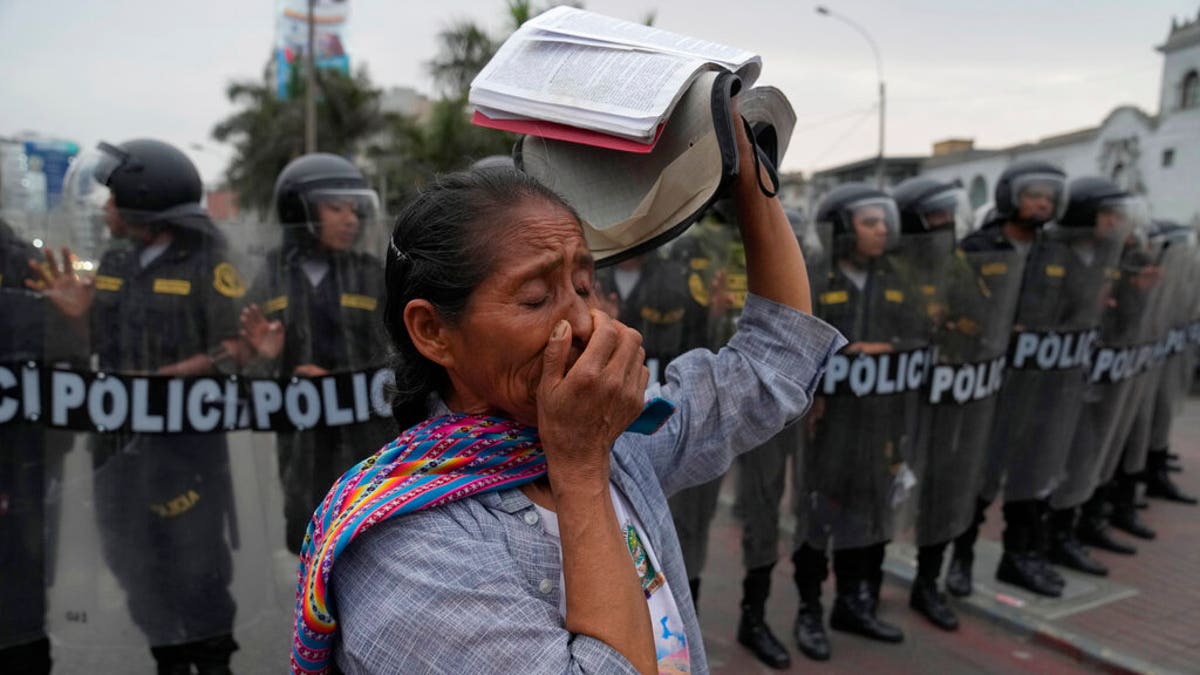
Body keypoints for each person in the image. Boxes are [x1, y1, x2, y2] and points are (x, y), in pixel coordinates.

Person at [290, 103, 845, 674]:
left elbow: (769, 366)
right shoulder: (403, 551)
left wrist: (748, 173)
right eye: (534, 298)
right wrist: (579, 465)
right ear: (433, 332)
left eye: (584, 286)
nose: (583, 323)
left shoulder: (620, 439)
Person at [29, 139, 244, 675]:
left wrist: (174, 377)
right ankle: (165, 656)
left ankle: (213, 659)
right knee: (133, 563)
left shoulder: (207, 265)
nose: (105, 209)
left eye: (113, 199)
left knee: (198, 567)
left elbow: (235, 347)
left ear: (148, 199)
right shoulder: (115, 261)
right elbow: (96, 342)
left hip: (186, 448)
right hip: (117, 449)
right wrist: (76, 316)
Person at [958, 161, 1120, 599]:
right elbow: (955, 313)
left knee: (1034, 474)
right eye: (1035, 195)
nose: (1044, 203)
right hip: (990, 389)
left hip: (1043, 388)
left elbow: (1078, 309)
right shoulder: (978, 247)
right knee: (980, 477)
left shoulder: (1058, 252)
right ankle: (961, 558)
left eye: (1051, 197)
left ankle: (1020, 557)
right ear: (1012, 195)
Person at [795, 184, 929, 660]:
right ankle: (809, 609)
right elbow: (800, 345)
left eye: (882, 221)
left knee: (870, 511)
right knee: (819, 516)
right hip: (827, 426)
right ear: (842, 228)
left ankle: (855, 602)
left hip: (881, 422)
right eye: (869, 222)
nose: (881, 230)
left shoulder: (896, 278)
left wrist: (870, 351)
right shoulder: (812, 278)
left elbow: (916, 338)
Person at [239, 153, 395, 554]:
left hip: (364, 442)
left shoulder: (370, 273)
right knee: (311, 548)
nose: (350, 220)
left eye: (355, 210)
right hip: (301, 444)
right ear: (300, 211)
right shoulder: (272, 274)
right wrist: (266, 356)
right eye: (335, 208)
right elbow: (243, 365)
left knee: (370, 545)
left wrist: (338, 385)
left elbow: (399, 358)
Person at [892, 176, 1021, 631]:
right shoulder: (891, 266)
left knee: (946, 491)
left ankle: (930, 580)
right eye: (937, 216)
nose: (947, 224)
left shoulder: (958, 264)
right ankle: (854, 593)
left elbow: (982, 316)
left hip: (949, 399)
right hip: (897, 406)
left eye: (950, 214)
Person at [1046, 178, 1155, 576]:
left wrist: (1134, 291)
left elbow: (1127, 320)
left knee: (1088, 455)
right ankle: (1044, 542)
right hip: (1057, 380)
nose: (1116, 223)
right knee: (1051, 462)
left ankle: (1075, 529)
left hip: (1098, 375)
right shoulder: (1053, 252)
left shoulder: (1114, 256)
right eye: (1108, 215)